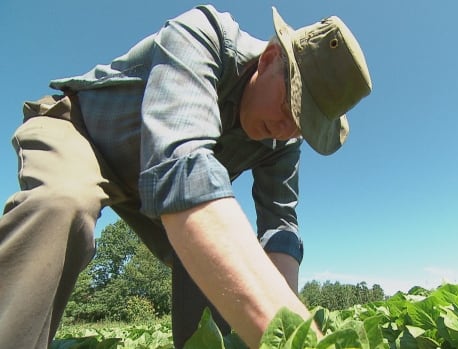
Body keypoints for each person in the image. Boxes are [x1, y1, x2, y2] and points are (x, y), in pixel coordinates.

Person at [0, 4, 371, 348]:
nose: (286, 127)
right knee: (63, 204)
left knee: (218, 266)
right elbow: (183, 165)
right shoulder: (204, 34)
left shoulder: (283, 142)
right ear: (271, 58)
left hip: (156, 187)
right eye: (290, 103)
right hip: (85, 133)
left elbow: (281, 227)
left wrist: (288, 326)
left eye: (303, 125)